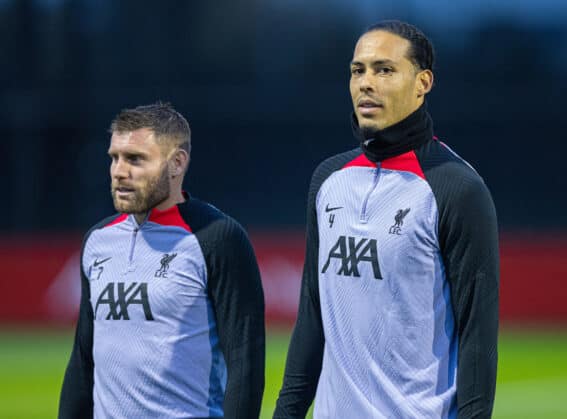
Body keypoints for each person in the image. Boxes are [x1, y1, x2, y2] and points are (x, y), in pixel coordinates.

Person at [274, 21, 499, 418]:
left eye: (384, 69)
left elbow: (477, 338)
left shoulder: (457, 188)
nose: (366, 82)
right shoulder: (328, 180)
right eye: (358, 70)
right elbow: (312, 316)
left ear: (422, 83)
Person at [59, 102, 265, 419]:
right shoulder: (97, 241)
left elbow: (245, 361)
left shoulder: (217, 238)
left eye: (135, 159)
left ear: (176, 163)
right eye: (114, 157)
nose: (118, 171)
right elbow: (83, 360)